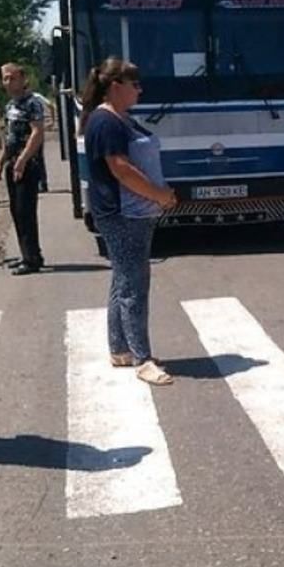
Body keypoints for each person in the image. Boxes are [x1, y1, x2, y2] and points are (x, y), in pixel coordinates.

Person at [79, 57, 179, 386]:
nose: (140, 90)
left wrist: (158, 194)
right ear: (115, 86)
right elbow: (120, 168)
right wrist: (158, 195)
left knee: (123, 280)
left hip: (132, 211)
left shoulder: (120, 119)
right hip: (123, 213)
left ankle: (120, 348)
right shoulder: (106, 122)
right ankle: (142, 359)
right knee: (135, 285)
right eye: (134, 84)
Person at [0, 63, 45, 275]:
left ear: (23, 79)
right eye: (5, 78)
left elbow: (37, 133)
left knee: (26, 211)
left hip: (27, 164)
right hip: (12, 163)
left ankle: (32, 258)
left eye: (12, 78)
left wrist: (23, 160)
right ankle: (27, 253)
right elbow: (9, 138)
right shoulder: (10, 106)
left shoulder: (32, 103)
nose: (8, 82)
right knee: (16, 211)